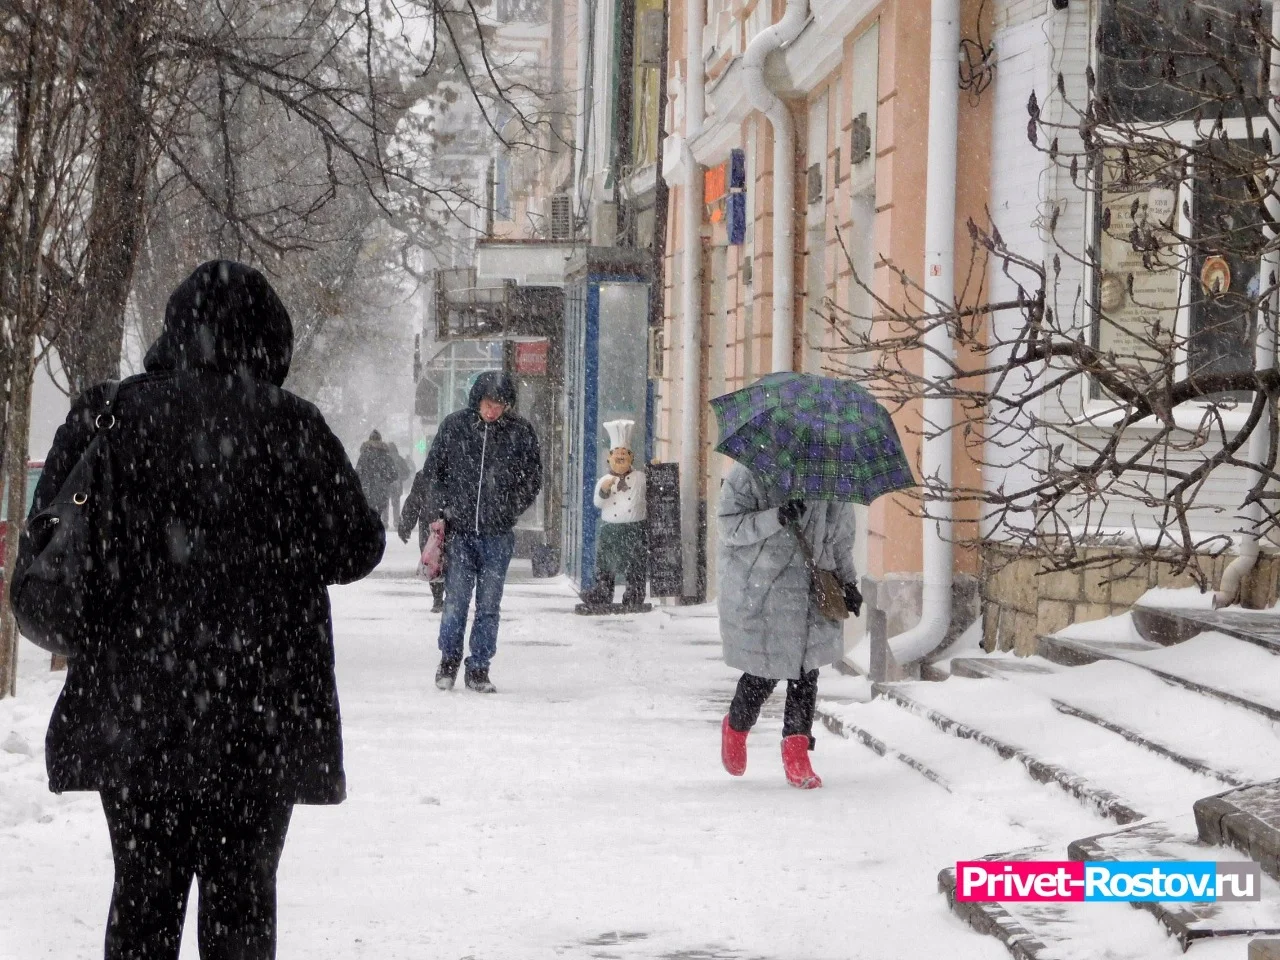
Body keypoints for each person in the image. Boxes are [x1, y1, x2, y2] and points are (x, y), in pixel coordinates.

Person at [16, 260, 386, 959]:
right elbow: (356, 547)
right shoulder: (292, 426)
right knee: (242, 904)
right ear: (271, 340)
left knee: (142, 896)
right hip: (260, 713)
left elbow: (56, 546)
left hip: (136, 709)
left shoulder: (112, 415)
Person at [716, 462, 859, 789]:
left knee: (806, 675)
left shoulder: (832, 477)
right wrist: (776, 517)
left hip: (811, 589)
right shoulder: (749, 473)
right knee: (762, 674)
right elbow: (729, 527)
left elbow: (840, 539)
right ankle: (736, 726)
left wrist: (848, 584)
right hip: (765, 590)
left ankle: (797, 753)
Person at [420, 371, 541, 693]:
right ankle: (448, 662)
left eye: (499, 406)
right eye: (488, 404)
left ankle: (479, 668)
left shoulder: (520, 432)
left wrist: (509, 508)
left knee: (489, 606)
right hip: (460, 534)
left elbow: (532, 477)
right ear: (477, 401)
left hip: (497, 535)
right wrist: (445, 508)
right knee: (455, 602)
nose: (492, 411)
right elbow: (434, 471)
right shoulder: (454, 426)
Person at [579, 419, 648, 610]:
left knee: (635, 564)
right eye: (616, 454)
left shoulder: (641, 478)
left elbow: (655, 494)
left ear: (631, 457)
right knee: (605, 563)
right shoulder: (604, 480)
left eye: (624, 454)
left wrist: (658, 471)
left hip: (634, 528)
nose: (620, 457)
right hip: (610, 529)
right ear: (609, 458)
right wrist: (604, 490)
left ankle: (634, 593)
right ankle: (603, 590)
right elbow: (597, 502)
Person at [400, 461, 447, 613]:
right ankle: (443, 597)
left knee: (432, 560)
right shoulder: (457, 472)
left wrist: (406, 524)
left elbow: (414, 501)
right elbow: (414, 501)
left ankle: (439, 597)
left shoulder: (424, 474)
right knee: (439, 560)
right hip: (444, 522)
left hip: (431, 523)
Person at [356, 429, 398, 526]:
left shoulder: (364, 455)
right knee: (378, 514)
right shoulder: (386, 456)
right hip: (381, 491)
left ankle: (369, 531)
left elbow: (357, 473)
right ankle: (376, 532)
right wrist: (385, 480)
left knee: (368, 515)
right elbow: (394, 474)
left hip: (366, 491)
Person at [387, 442, 412, 529]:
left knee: (385, 503)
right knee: (396, 504)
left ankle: (384, 522)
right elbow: (407, 472)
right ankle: (396, 522)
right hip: (397, 484)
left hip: (387, 484)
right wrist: (401, 478)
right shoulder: (400, 459)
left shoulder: (385, 458)